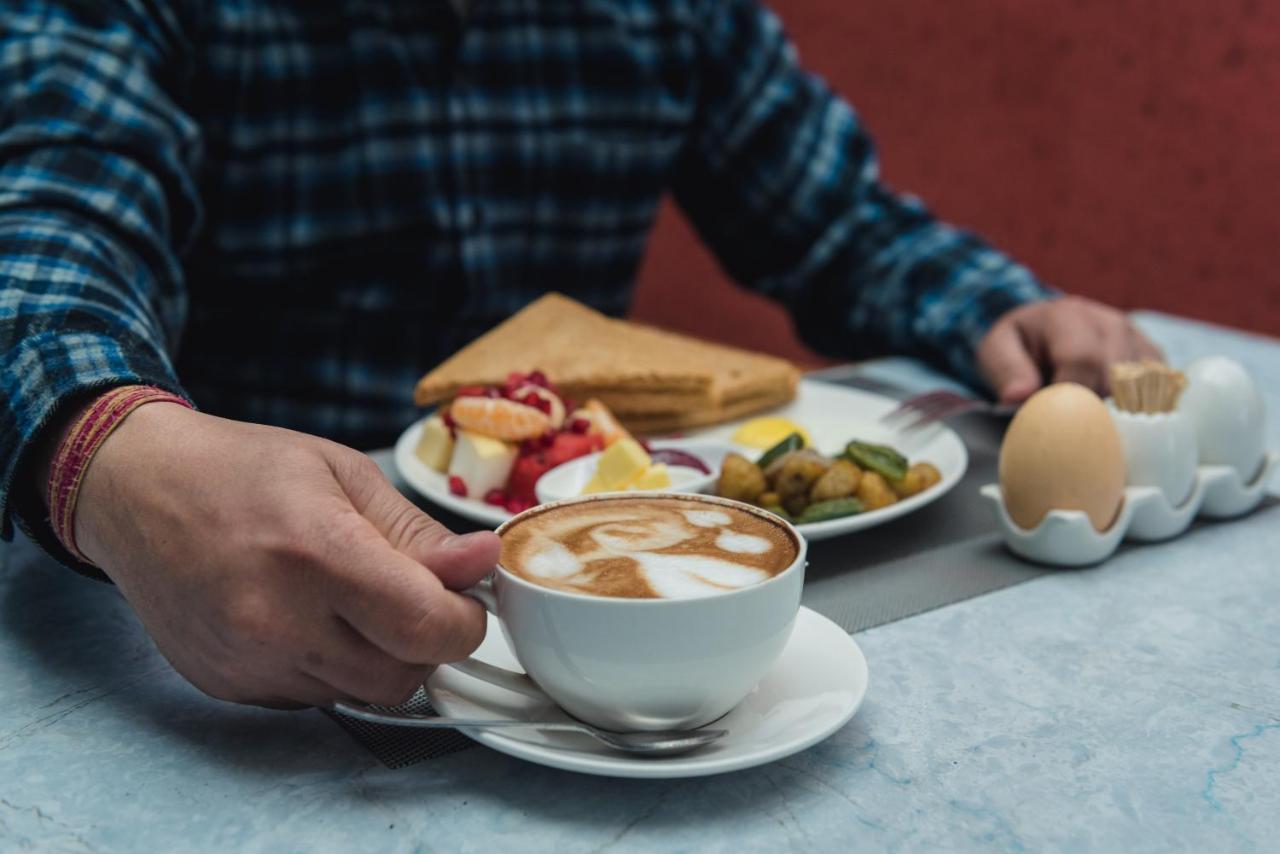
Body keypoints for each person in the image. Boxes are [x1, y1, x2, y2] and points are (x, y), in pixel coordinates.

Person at [0, 1, 1159, 709]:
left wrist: (1001, 309)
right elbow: (42, 234)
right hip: (246, 627)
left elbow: (832, 218)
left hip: (638, 605)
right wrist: (112, 454)